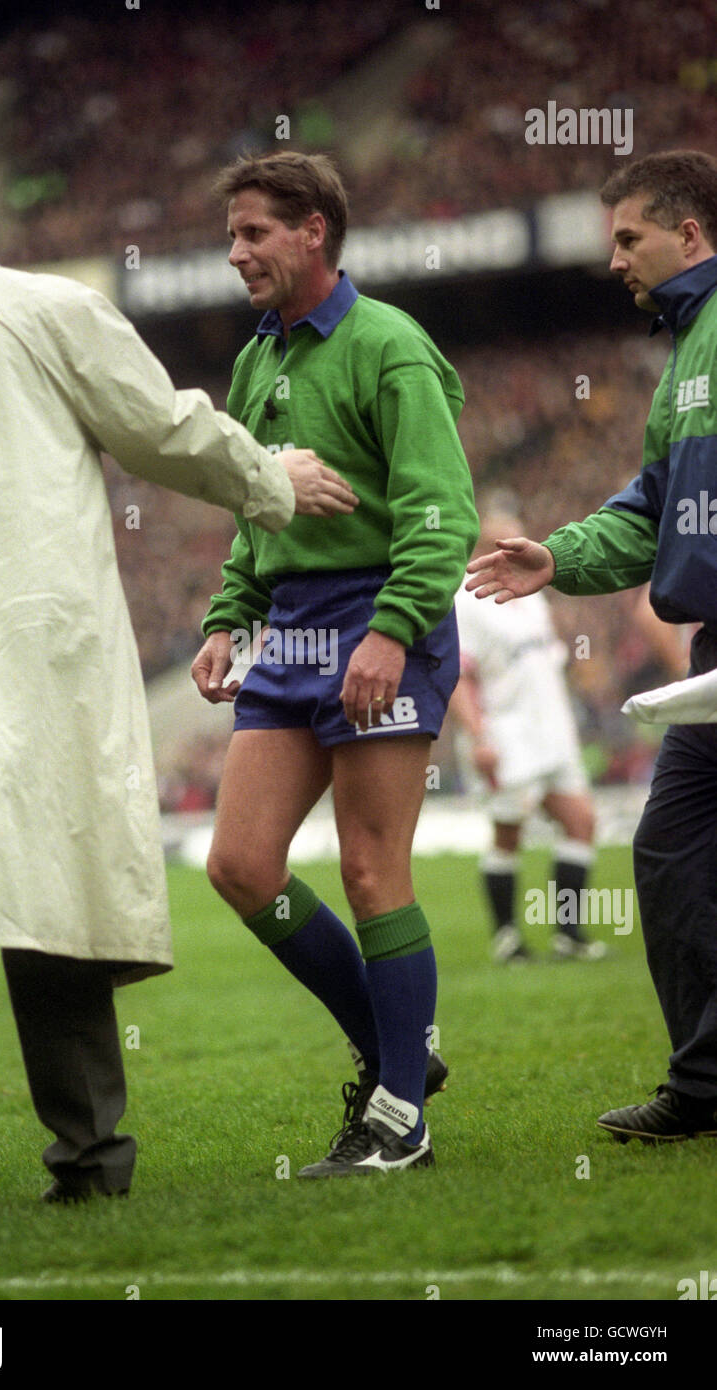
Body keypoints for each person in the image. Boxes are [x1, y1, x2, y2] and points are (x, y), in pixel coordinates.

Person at [0, 121, 357, 1224]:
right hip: (32, 645)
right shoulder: (41, 306)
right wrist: (270, 476)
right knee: (52, 890)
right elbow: (162, 430)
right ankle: (89, 1157)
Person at [191, 152, 478, 1176]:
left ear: (314, 230)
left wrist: (394, 630)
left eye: (254, 232)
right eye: (232, 235)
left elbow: (443, 514)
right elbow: (252, 510)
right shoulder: (255, 360)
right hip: (293, 628)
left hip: (376, 614)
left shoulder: (389, 345)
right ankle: (397, 1049)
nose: (236, 253)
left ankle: (400, 1117)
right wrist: (231, 614)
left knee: (368, 869)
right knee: (238, 866)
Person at [466, 150, 717, 1144]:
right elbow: (649, 508)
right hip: (708, 659)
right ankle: (702, 1089)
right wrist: (556, 554)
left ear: (687, 234)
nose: (612, 259)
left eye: (627, 239)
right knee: (667, 852)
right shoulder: (683, 355)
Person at [451, 495, 604, 964]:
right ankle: (507, 939)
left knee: (581, 821)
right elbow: (460, 674)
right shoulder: (466, 597)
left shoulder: (533, 592)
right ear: (485, 542)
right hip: (507, 732)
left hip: (552, 730)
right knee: (509, 832)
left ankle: (567, 934)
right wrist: (478, 736)